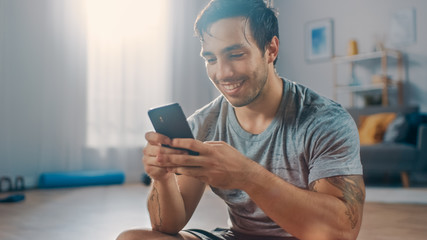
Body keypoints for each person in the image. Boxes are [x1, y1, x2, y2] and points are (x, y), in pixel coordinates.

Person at [117, 0, 365, 239]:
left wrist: (246, 174)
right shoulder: (204, 124)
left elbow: (340, 232)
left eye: (235, 54)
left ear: (271, 50)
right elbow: (168, 225)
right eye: (211, 59)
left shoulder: (324, 120)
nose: (223, 73)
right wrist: (162, 177)